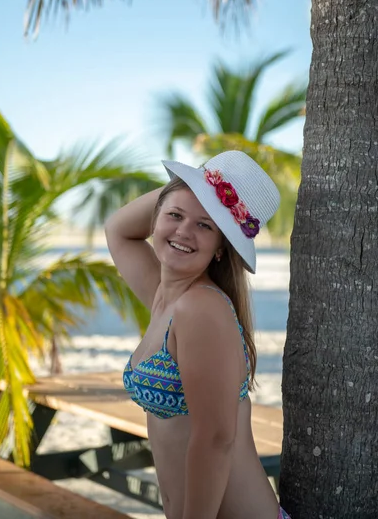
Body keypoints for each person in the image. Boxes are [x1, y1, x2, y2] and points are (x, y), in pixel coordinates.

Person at [105, 150, 289, 519]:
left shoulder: (201, 310)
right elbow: (119, 229)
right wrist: (198, 186)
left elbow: (216, 441)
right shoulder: (165, 295)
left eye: (206, 225)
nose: (183, 231)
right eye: (174, 215)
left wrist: (199, 193)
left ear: (223, 247)